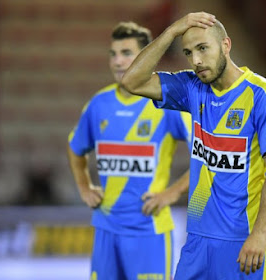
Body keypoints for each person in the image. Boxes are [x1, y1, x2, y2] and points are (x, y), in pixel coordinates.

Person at [122, 12, 266, 280]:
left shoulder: (262, 94)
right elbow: (132, 81)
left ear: (226, 45)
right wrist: (170, 33)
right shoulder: (192, 88)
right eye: (189, 52)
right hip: (198, 241)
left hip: (244, 240)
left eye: (203, 48)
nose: (197, 60)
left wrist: (259, 234)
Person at [66, 21, 191, 280]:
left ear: (146, 58)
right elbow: (75, 147)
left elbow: (206, 154)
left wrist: (172, 192)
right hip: (106, 229)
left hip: (149, 232)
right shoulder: (99, 103)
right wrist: (84, 187)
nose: (117, 61)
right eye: (113, 54)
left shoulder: (165, 104)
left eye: (126, 53)